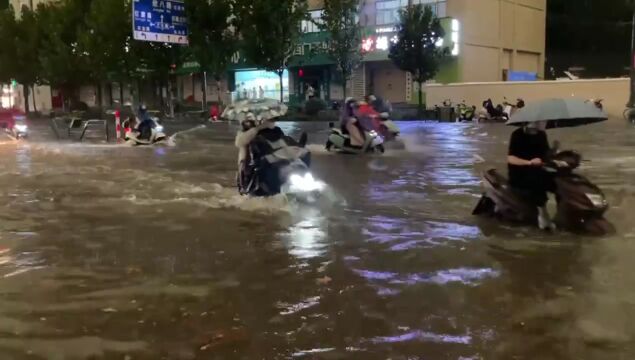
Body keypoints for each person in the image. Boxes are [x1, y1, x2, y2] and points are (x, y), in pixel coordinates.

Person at [507, 120, 557, 230]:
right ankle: (543, 214)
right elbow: (511, 158)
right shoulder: (517, 135)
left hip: (539, 168)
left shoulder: (542, 135)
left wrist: (554, 151)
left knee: (558, 179)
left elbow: (545, 155)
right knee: (537, 179)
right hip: (520, 172)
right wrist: (529, 162)